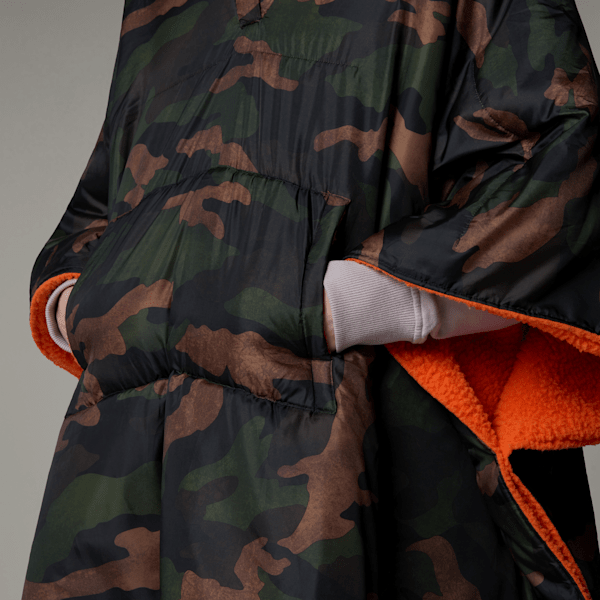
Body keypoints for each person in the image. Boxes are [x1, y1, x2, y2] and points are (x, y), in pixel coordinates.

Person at [23, 0, 600, 598]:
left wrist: (355, 302)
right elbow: (103, 198)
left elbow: (565, 152)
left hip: (370, 438)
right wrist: (84, 303)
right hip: (124, 435)